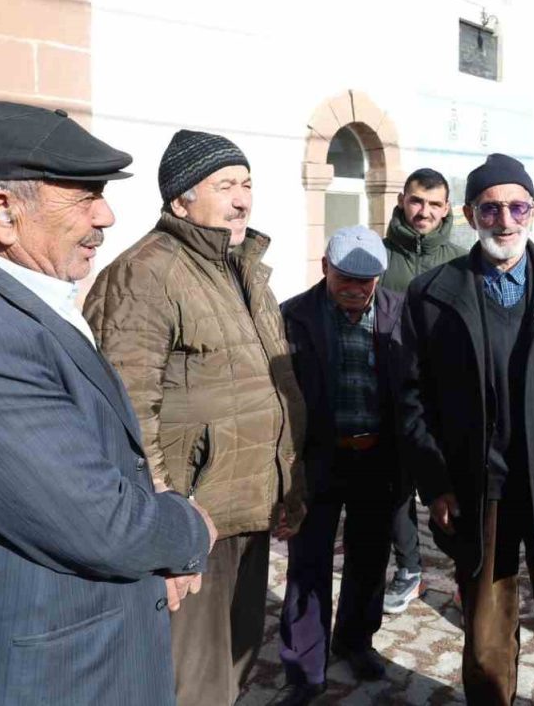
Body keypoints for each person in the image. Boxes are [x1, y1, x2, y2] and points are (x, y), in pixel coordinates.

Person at [0, 102, 216, 705]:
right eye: (84, 196)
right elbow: (100, 524)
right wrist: (189, 527)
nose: (105, 215)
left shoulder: (3, 301)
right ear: (2, 212)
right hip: (33, 682)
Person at [84, 129, 307, 706]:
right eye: (225, 185)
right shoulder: (145, 273)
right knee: (192, 682)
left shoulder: (245, 270)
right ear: (180, 200)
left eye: (248, 184)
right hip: (192, 519)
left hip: (249, 507)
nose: (242, 199)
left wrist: (290, 486)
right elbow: (126, 413)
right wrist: (163, 526)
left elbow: (273, 392)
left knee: (235, 663)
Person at [397, 153, 534, 705]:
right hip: (477, 488)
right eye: (491, 209)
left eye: (517, 207)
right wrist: (436, 481)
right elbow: (412, 399)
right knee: (487, 640)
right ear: (469, 215)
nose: (505, 221)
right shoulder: (433, 294)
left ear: (533, 211)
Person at [278, 226, 408, 704]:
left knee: (370, 558)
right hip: (318, 459)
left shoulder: (400, 314)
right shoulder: (294, 316)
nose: (354, 290)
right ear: (325, 269)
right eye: (345, 279)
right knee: (308, 564)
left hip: (378, 457)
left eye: (365, 282)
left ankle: (356, 640)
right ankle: (304, 669)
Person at [379, 167, 466, 614]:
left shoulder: (461, 260)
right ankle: (408, 569)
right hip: (390, 392)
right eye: (417, 201)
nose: (424, 212)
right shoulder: (379, 255)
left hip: (447, 400)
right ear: (402, 200)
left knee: (451, 487)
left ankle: (462, 576)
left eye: (434, 204)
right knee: (397, 490)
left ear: (447, 208)